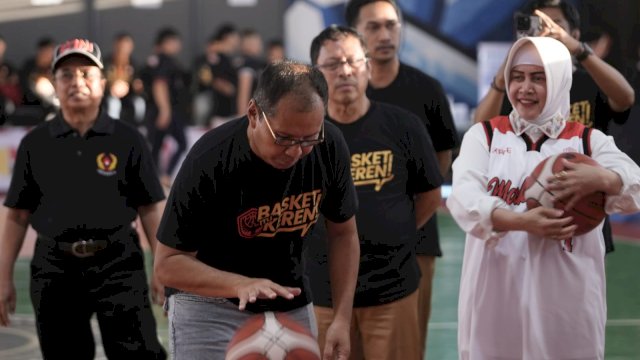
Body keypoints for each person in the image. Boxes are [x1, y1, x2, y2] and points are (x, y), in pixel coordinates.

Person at [447, 36, 640, 359]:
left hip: (566, 295)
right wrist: (521, 221)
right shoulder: (485, 136)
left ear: (560, 79)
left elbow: (635, 185)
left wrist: (604, 177)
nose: (525, 88)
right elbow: (463, 197)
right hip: (496, 292)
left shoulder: (588, 143)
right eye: (518, 76)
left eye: (539, 78)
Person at [154, 60, 361, 360]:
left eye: (308, 140)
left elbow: (344, 235)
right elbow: (167, 264)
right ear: (253, 114)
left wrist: (342, 318)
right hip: (209, 304)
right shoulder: (210, 158)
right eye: (284, 138)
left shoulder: (329, 146)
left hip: (288, 299)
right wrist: (239, 284)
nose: (295, 152)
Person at [0, 38, 167, 359]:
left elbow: (149, 207)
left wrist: (162, 266)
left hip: (118, 264)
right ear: (54, 85)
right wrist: (3, 277)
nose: (77, 81)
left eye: (86, 74)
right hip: (54, 269)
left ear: (102, 84)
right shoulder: (35, 144)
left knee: (139, 353)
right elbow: (18, 215)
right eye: (66, 75)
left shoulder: (128, 139)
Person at [306, 25, 443, 360]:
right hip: (323, 295)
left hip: (392, 289)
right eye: (334, 64)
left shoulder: (403, 125)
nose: (346, 71)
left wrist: (397, 232)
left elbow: (430, 193)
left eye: (354, 61)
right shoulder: (304, 135)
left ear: (367, 65)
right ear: (315, 75)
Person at [473, 0, 636, 255]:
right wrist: (511, 62)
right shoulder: (523, 90)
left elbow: (625, 97)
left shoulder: (590, 81)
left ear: (576, 34)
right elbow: (479, 129)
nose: (547, 32)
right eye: (540, 25)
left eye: (555, 25)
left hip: (584, 203)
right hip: (525, 206)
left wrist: (577, 50)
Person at [344, 0, 460, 356]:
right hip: (343, 248)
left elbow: (444, 153)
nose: (385, 35)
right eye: (374, 26)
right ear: (354, 34)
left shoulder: (425, 89)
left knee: (406, 348)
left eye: (391, 25)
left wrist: (404, 213)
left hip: (415, 242)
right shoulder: (341, 91)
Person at [143, 27, 189, 188]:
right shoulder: (163, 60)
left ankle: (160, 177)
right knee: (175, 143)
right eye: (175, 41)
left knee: (157, 146)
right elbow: (159, 84)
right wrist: (165, 110)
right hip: (163, 111)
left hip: (164, 110)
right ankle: (160, 177)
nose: (178, 45)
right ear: (166, 43)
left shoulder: (161, 60)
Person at [103, 32, 145, 128]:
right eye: (120, 46)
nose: (122, 49)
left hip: (129, 96)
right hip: (110, 97)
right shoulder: (106, 63)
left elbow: (138, 84)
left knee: (139, 103)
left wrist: (136, 87)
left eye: (126, 47)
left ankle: (137, 129)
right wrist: (111, 88)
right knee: (114, 104)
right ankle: (112, 128)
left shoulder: (134, 64)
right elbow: (101, 81)